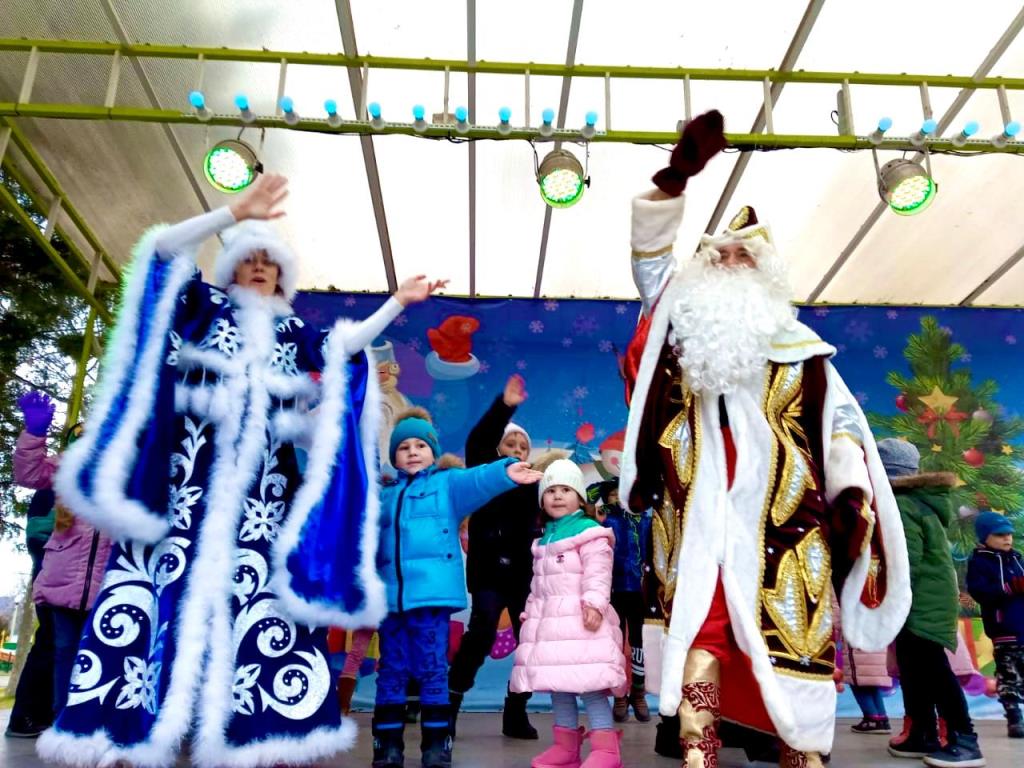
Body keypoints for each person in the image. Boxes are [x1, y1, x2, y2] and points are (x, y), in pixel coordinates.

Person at [37, 174, 444, 768]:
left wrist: (397, 302)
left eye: (270, 263)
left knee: (261, 610)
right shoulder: (203, 309)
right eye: (249, 259)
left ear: (283, 277)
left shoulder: (293, 332)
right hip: (184, 490)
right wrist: (231, 213)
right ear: (230, 267)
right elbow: (162, 252)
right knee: (156, 599)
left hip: (261, 502)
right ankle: (130, 728)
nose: (259, 269)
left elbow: (346, 347)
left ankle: (254, 733)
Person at [619, 111, 910, 767]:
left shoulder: (805, 352)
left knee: (793, 645)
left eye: (742, 255)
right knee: (702, 632)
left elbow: (841, 425)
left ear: (765, 274)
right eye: (717, 254)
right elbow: (651, 263)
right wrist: (672, 182)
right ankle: (698, 754)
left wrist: (850, 486)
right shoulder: (680, 328)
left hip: (786, 523)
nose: (728, 262)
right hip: (694, 519)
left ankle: (802, 755)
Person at [372, 407, 542, 768]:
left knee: (434, 668)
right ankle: (387, 745)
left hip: (438, 598)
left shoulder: (447, 486)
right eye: (404, 447)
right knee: (392, 670)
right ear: (394, 456)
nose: (413, 452)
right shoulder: (385, 496)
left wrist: (504, 471)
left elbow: (477, 480)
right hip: (397, 600)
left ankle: (439, 743)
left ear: (433, 452)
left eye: (421, 445)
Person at [874, 440, 985, 766]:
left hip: (921, 600)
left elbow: (905, 560)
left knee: (932, 668)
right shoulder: (914, 501)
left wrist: (883, 592)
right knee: (913, 667)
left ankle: (964, 739)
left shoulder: (902, 505)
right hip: (921, 598)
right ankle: (922, 733)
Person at [511, 459, 627, 768]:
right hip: (552, 626)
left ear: (579, 497)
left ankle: (606, 750)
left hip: (583, 622)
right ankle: (566, 748)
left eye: (565, 489)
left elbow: (598, 573)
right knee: (559, 687)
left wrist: (594, 604)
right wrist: (531, 611)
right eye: (550, 491)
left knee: (589, 686)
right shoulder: (545, 538)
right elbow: (539, 584)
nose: (557, 496)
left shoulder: (589, 532)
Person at [448, 373, 543, 739]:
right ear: (498, 448)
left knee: (529, 642)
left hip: (523, 576)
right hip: (488, 572)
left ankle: (515, 711)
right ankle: (449, 705)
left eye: (523, 446)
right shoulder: (485, 473)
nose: (517, 449)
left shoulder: (534, 484)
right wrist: (505, 407)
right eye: (510, 442)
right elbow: (479, 440)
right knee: (482, 632)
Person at [592, 480, 651, 723]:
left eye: (623, 493)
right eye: (613, 495)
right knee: (615, 643)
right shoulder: (606, 520)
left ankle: (638, 692)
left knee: (639, 644)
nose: (618, 498)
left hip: (640, 591)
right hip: (614, 590)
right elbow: (589, 495)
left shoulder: (646, 520)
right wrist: (601, 515)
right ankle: (619, 695)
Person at [967, 512, 1024, 740]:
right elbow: (979, 592)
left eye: (1009, 534)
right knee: (1009, 674)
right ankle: (1014, 718)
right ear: (985, 537)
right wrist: (1009, 588)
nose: (1007, 538)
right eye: (1000, 534)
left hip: (1022, 626)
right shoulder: (980, 562)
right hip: (1004, 629)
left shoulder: (1017, 558)